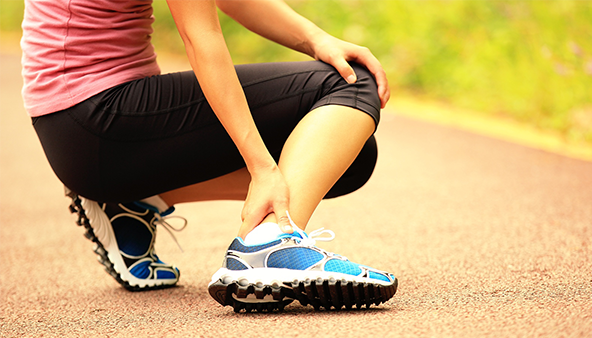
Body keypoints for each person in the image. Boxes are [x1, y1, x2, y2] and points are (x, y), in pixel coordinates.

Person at [21, 0, 398, 312]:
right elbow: (201, 38)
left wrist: (317, 40)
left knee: (349, 155)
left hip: (81, 135)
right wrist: (262, 168)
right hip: (98, 116)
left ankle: (134, 199)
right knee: (351, 84)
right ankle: (267, 244)